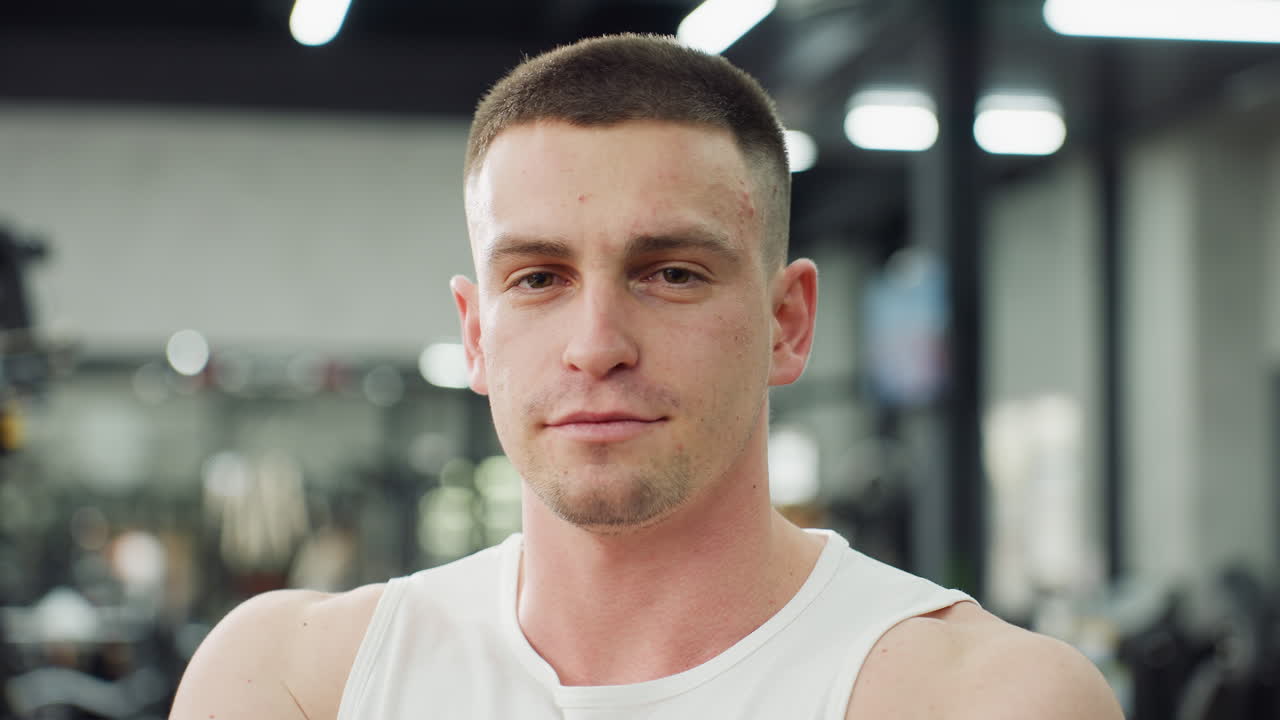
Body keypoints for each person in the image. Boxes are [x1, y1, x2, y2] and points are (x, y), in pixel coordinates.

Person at [170, 34, 1124, 719]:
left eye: (671, 273)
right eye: (538, 278)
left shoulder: (981, 698)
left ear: (787, 324)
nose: (597, 344)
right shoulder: (293, 682)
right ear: (473, 334)